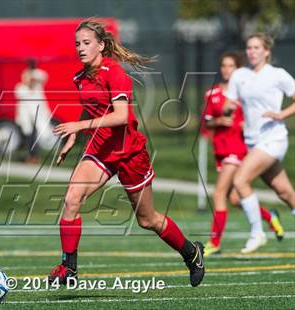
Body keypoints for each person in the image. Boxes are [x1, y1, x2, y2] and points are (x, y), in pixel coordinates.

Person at [48, 19, 205, 287]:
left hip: (129, 152)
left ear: (101, 45)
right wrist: (74, 134)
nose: (81, 48)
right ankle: (69, 267)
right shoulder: (80, 77)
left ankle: (191, 253)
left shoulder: (115, 73)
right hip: (100, 149)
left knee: (148, 219)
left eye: (86, 43)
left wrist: (79, 125)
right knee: (72, 199)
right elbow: (91, 108)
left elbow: (121, 116)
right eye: (77, 44)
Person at [202, 52, 284, 256]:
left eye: (231, 66)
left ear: (238, 69)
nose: (226, 69)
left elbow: (254, 118)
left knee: (219, 193)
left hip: (237, 149)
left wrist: (245, 124)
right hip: (220, 150)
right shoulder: (212, 93)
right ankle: (269, 217)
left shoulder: (245, 93)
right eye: (224, 65)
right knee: (235, 199)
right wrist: (218, 121)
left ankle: (214, 242)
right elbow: (207, 121)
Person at [224, 33, 295, 254]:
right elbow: (230, 102)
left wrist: (281, 114)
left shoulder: (277, 75)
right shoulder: (239, 75)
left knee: (240, 180)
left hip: (274, 139)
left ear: (266, 51)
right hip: (253, 143)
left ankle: (257, 233)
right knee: (284, 192)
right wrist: (227, 108)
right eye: (249, 47)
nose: (252, 51)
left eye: (256, 47)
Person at [15, 59, 56, 163]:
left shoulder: (38, 83)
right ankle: (30, 155)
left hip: (37, 115)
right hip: (27, 117)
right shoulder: (21, 88)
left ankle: (35, 156)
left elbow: (42, 77)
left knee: (37, 134)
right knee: (28, 136)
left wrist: (32, 77)